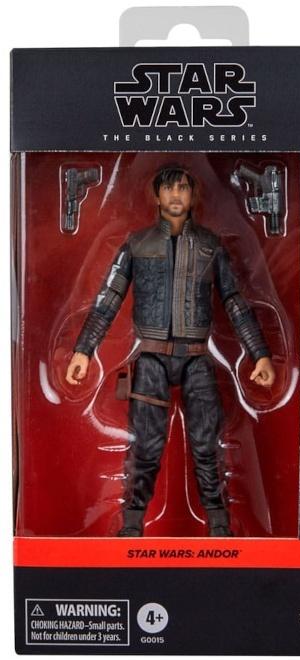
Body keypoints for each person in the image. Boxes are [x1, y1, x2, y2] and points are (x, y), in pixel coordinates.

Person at [65, 164, 275, 538]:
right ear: (157, 195)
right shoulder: (137, 244)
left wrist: (259, 353)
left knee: (207, 446)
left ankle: (219, 524)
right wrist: (83, 350)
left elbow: (235, 302)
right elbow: (108, 299)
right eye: (169, 188)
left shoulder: (210, 246)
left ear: (193, 196)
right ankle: (132, 524)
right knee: (145, 447)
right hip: (151, 358)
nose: (176, 195)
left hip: (197, 357)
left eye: (183, 188)